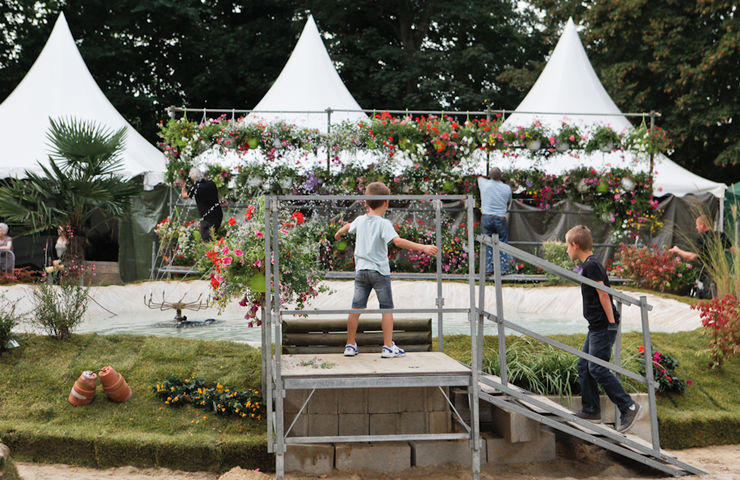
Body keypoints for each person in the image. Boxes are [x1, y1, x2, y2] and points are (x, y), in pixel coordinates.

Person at [334, 181, 439, 358]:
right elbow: (397, 242)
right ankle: (388, 346)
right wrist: (423, 247)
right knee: (387, 309)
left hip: (361, 272)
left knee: (356, 308)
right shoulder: (384, 224)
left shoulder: (360, 220)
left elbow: (347, 227)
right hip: (380, 273)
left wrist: (339, 232)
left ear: (365, 203)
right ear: (386, 202)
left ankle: (350, 345)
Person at [565, 225, 641, 433]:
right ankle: (591, 409)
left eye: (567, 246)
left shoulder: (592, 266)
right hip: (596, 326)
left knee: (597, 368)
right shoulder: (590, 264)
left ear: (575, 245)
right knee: (584, 365)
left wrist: (610, 323)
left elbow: (603, 294)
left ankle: (629, 406)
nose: (566, 250)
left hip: (602, 326)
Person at [669, 215, 736, 298]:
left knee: (709, 297)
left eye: (697, 225)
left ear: (702, 225)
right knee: (722, 298)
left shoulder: (702, 238)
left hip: (708, 274)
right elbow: (734, 252)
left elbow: (692, 257)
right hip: (722, 273)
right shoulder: (721, 235)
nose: (696, 227)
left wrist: (678, 251)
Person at [478, 167, 512, 275]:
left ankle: (488, 269)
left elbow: (478, 177)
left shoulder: (483, 183)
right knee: (502, 242)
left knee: (487, 242)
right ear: (501, 175)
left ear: (489, 176)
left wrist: (488, 177)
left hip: (486, 217)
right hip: (500, 218)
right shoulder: (506, 188)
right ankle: (502, 269)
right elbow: (508, 202)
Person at [179, 167, 223, 242]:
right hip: (218, 215)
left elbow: (184, 195)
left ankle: (211, 252)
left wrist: (183, 185)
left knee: (206, 240)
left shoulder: (196, 188)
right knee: (214, 237)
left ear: (192, 178)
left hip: (207, 218)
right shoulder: (211, 183)